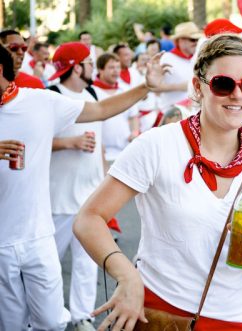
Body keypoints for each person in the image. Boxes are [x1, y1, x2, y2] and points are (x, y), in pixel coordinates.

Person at [73, 34, 242, 331]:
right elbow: (88, 218)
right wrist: (126, 274)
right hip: (159, 314)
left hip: (233, 319)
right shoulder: (158, 145)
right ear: (199, 87)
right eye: (224, 84)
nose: (238, 96)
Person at [0, 44, 165, 331]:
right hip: (1, 243)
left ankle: (80, 315)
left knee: (51, 321)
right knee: (11, 323)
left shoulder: (40, 102)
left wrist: (145, 87)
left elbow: (100, 109)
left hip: (37, 235)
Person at [47, 42, 101, 331]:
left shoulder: (94, 94)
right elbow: (33, 143)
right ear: (76, 66)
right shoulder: (51, 97)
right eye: (89, 62)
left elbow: (100, 146)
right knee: (48, 265)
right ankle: (45, 317)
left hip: (90, 196)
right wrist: (71, 142)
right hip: (57, 197)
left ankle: (83, 316)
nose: (93, 67)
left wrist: (105, 182)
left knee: (86, 262)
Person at [93, 53, 140, 162]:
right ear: (100, 70)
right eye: (111, 67)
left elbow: (133, 117)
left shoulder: (126, 90)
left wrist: (134, 133)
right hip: (102, 154)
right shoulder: (92, 92)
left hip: (125, 152)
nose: (116, 71)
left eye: (118, 67)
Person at [158, 21, 203, 112]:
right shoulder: (167, 58)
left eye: (197, 40)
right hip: (172, 114)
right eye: (192, 40)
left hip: (192, 113)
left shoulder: (196, 58)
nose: (196, 43)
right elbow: (154, 88)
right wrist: (182, 86)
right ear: (181, 41)